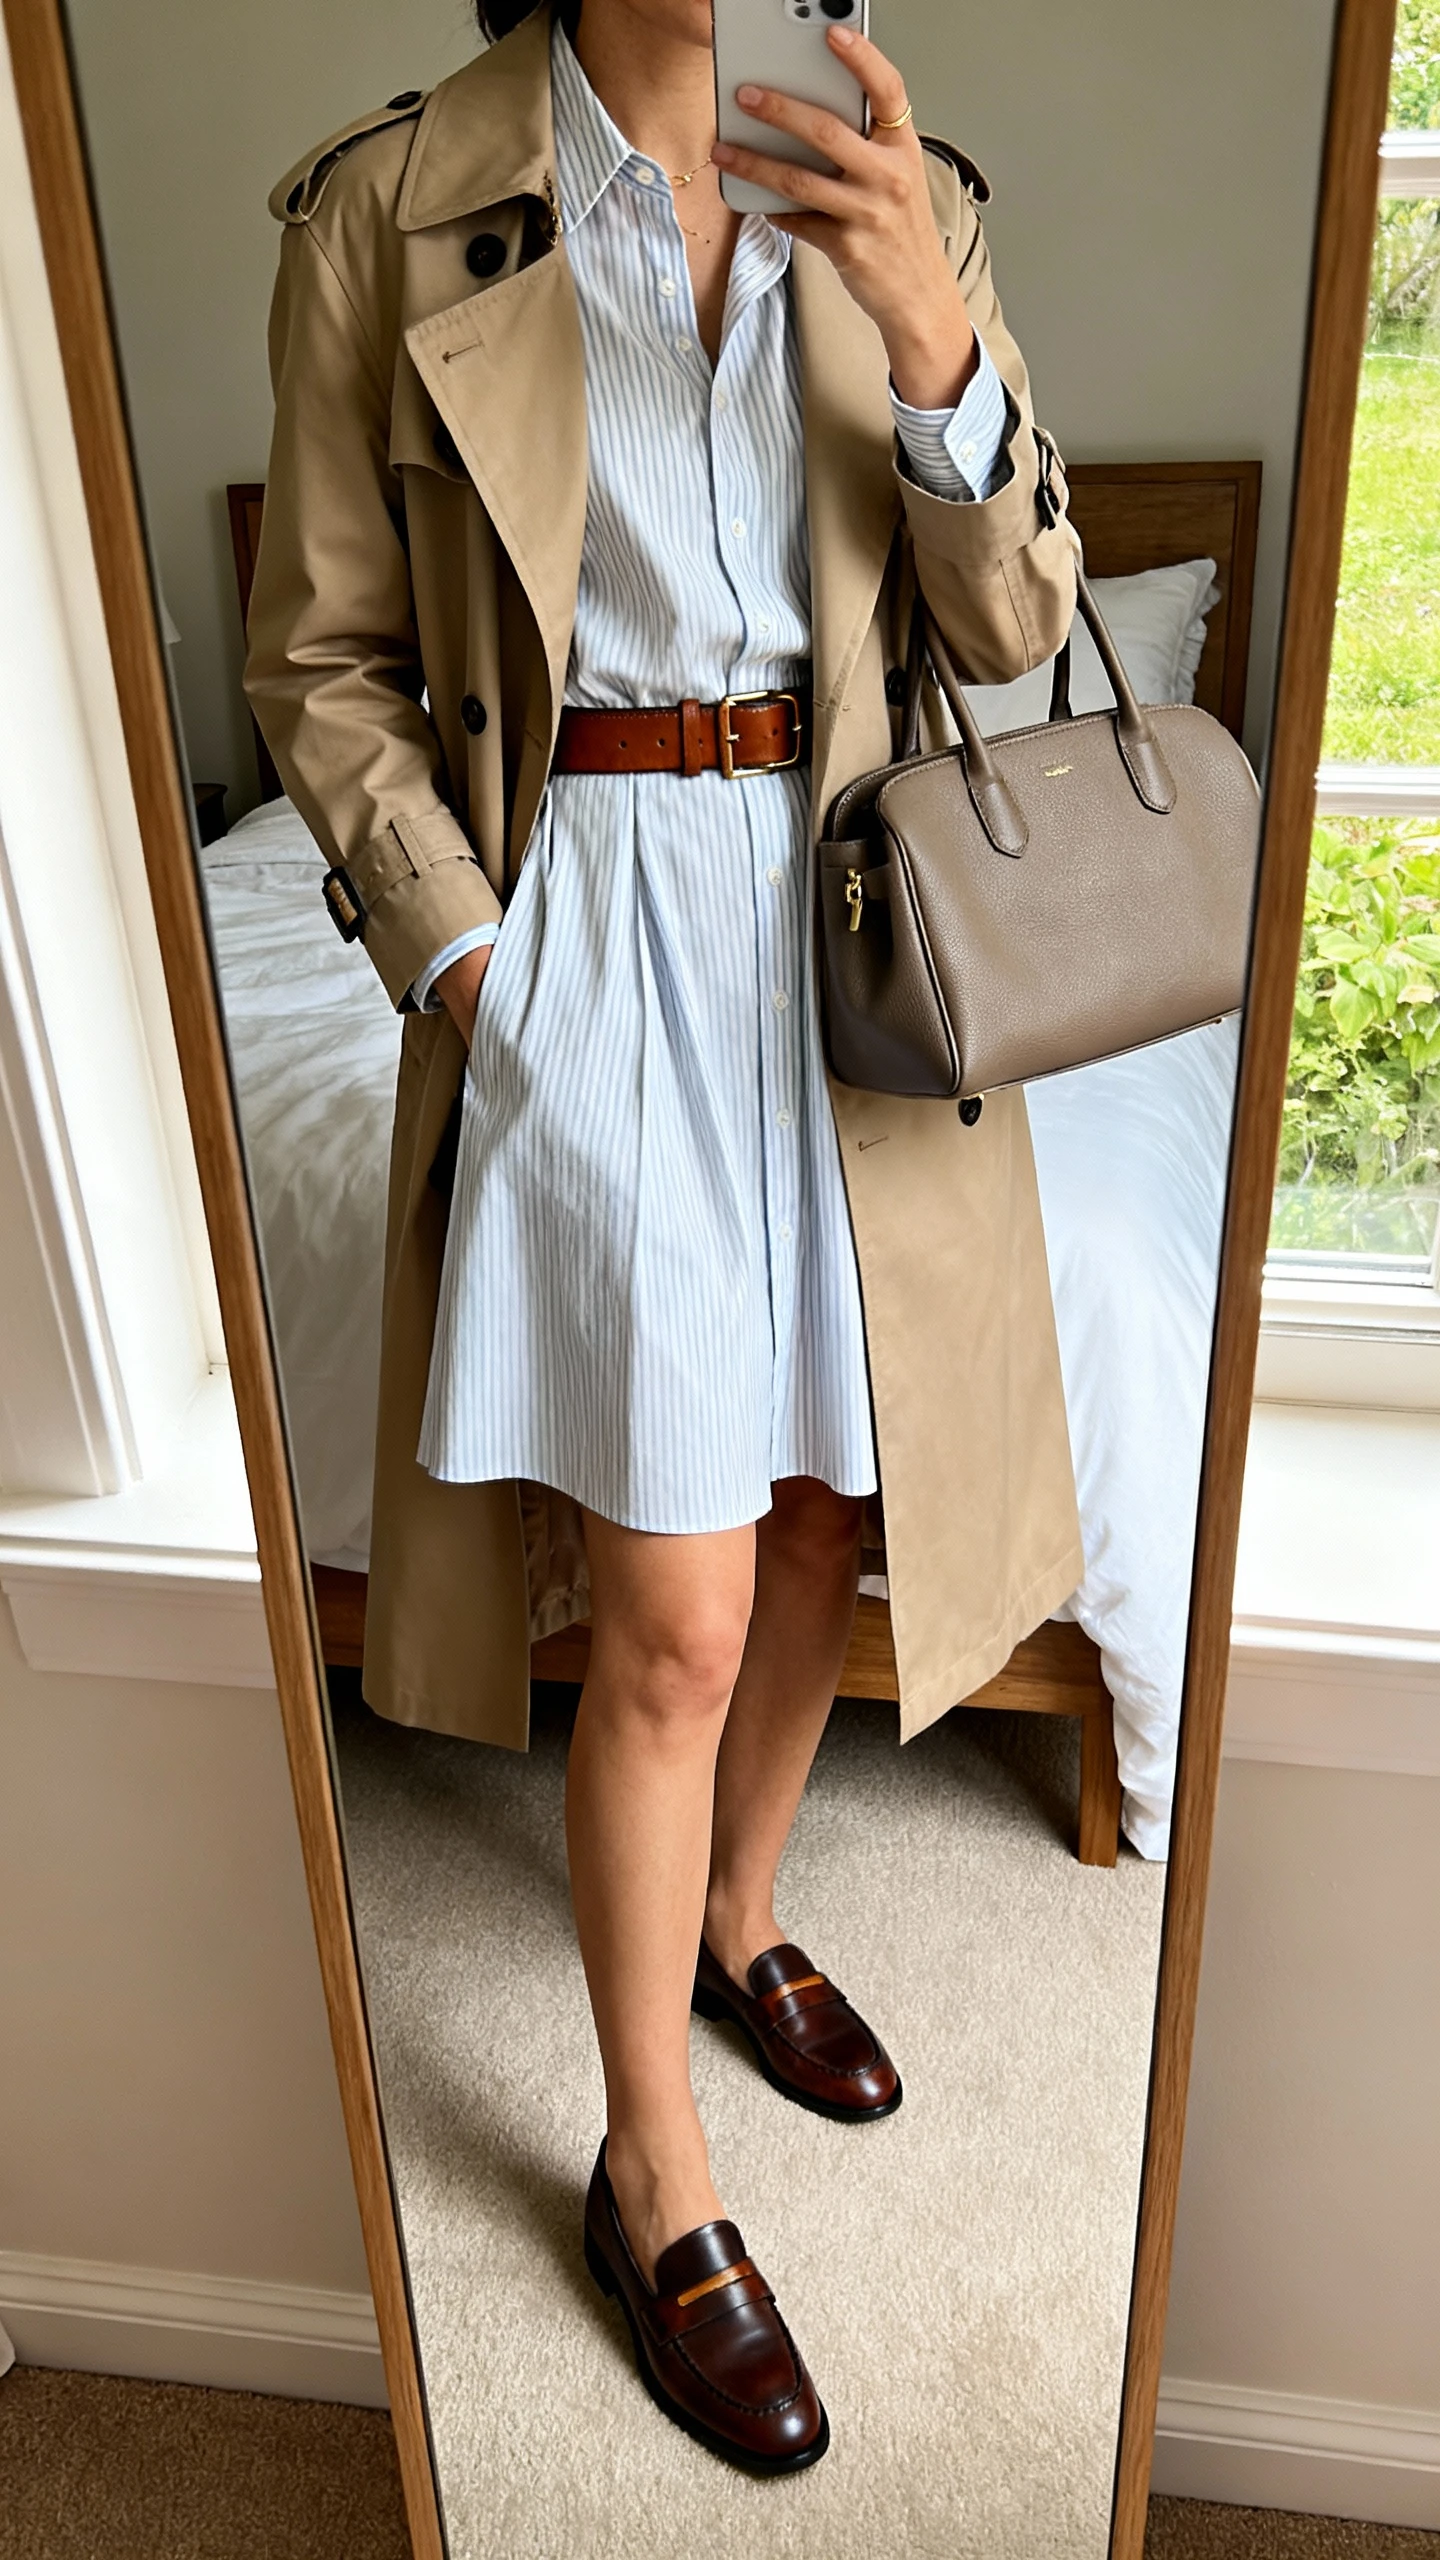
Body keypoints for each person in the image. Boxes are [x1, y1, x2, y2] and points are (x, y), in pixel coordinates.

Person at [247, 0, 1081, 2474]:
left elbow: (1013, 624)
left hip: (844, 924)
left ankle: (736, 1918)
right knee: (678, 1602)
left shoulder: (893, 178)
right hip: (586, 920)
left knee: (827, 1504)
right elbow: (319, 655)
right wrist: (474, 963)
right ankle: (652, 2161)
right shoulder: (388, 206)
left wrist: (935, 338)